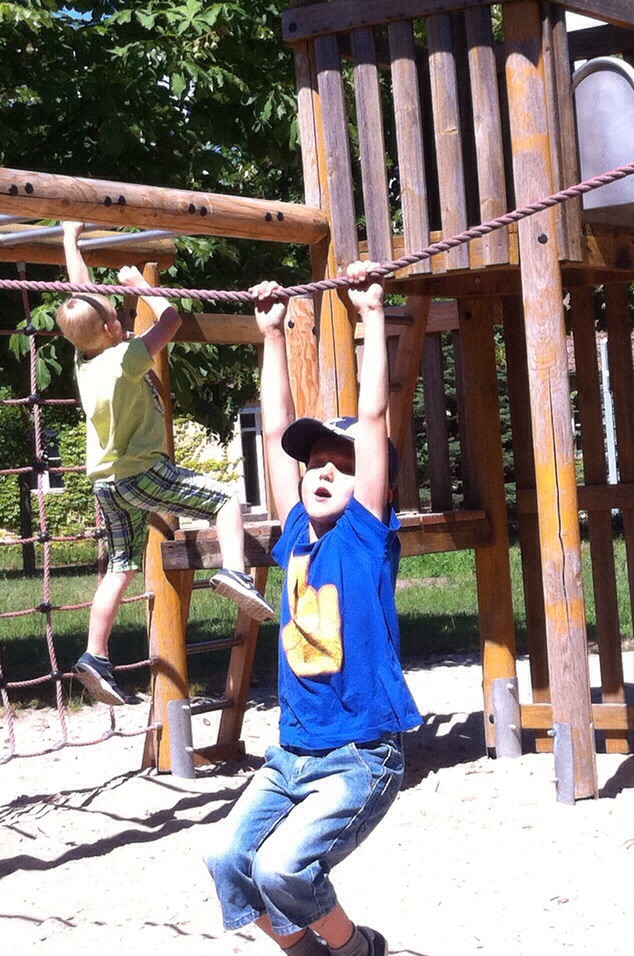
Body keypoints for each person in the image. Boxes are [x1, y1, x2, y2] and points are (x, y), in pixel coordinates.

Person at [203, 262, 421, 956]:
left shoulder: (364, 535)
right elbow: (274, 434)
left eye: (344, 464)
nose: (325, 470)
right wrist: (270, 334)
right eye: (317, 462)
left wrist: (371, 314)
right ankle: (303, 953)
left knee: (282, 869)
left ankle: (358, 950)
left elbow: (374, 415)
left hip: (360, 753)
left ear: (372, 485)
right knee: (227, 860)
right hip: (292, 752)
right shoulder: (296, 529)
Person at [55, 221, 272, 706]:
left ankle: (94, 654)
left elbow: (80, 290)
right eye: (116, 315)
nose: (120, 316)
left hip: (105, 484)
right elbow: (170, 321)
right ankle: (233, 572)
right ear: (111, 329)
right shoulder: (126, 358)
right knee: (224, 499)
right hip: (141, 473)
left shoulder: (83, 361)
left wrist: (71, 239)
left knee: (120, 565)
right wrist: (141, 287)